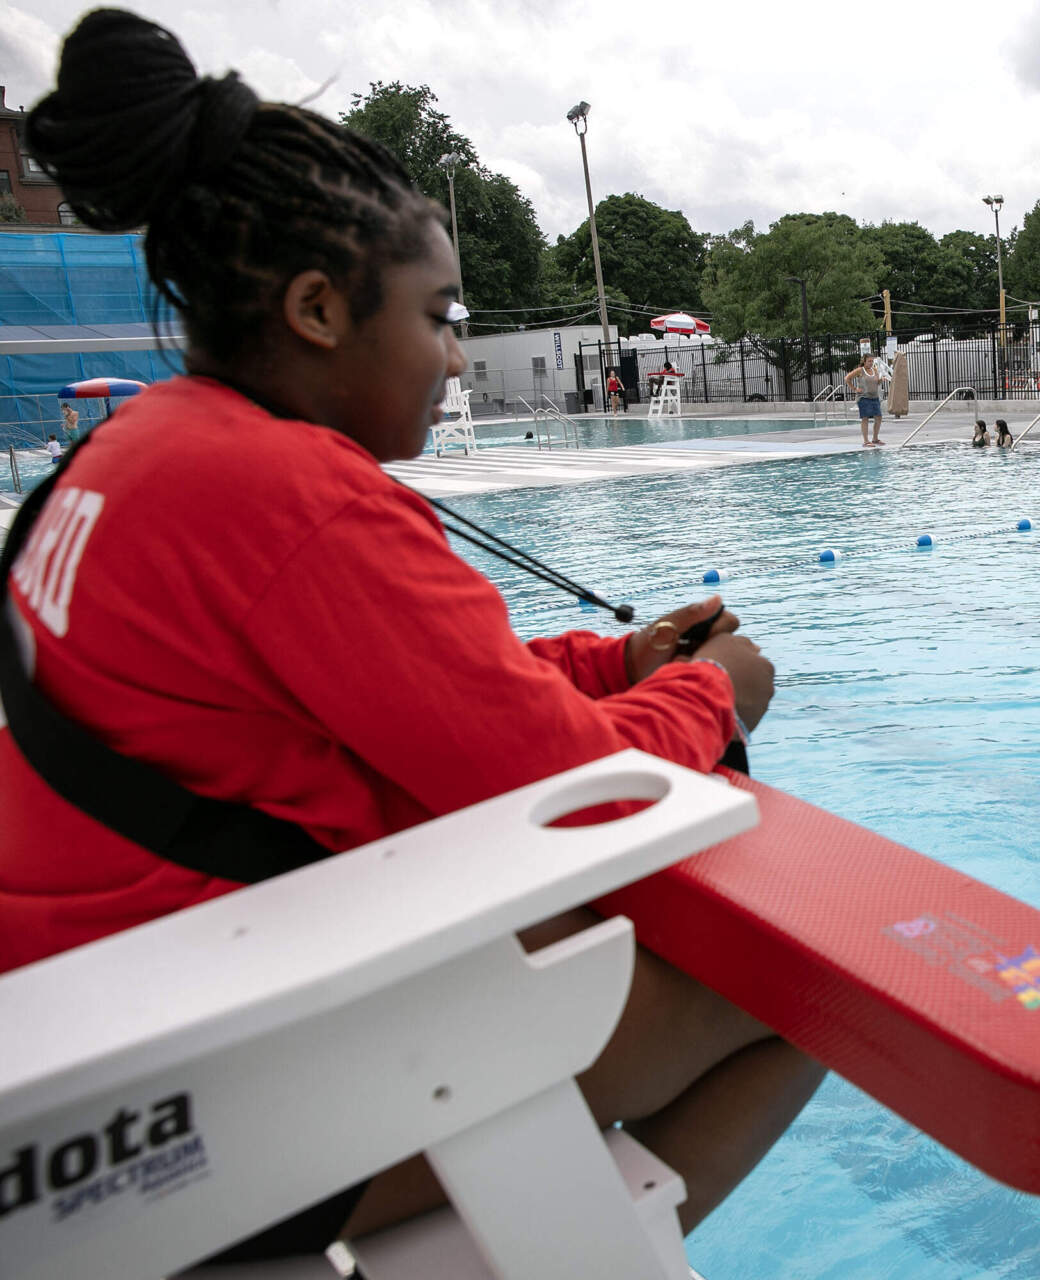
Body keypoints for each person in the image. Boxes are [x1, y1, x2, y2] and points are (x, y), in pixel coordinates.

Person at [4, 10, 820, 1263]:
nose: (453, 358)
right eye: (440, 316)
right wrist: (714, 694)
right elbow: (580, 804)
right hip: (175, 1122)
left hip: (81, 1038)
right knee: (811, 984)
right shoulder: (298, 495)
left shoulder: (136, 449)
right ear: (322, 308)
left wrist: (613, 662)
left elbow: (394, 697)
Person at [845, 354, 888, 447]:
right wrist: (855, 389)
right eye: (869, 361)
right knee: (865, 418)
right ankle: (866, 441)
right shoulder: (860, 370)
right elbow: (847, 378)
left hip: (874, 397)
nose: (871, 363)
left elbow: (876, 382)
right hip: (863, 398)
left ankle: (875, 439)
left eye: (872, 361)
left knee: (879, 417)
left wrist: (881, 380)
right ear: (864, 361)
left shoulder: (875, 370)